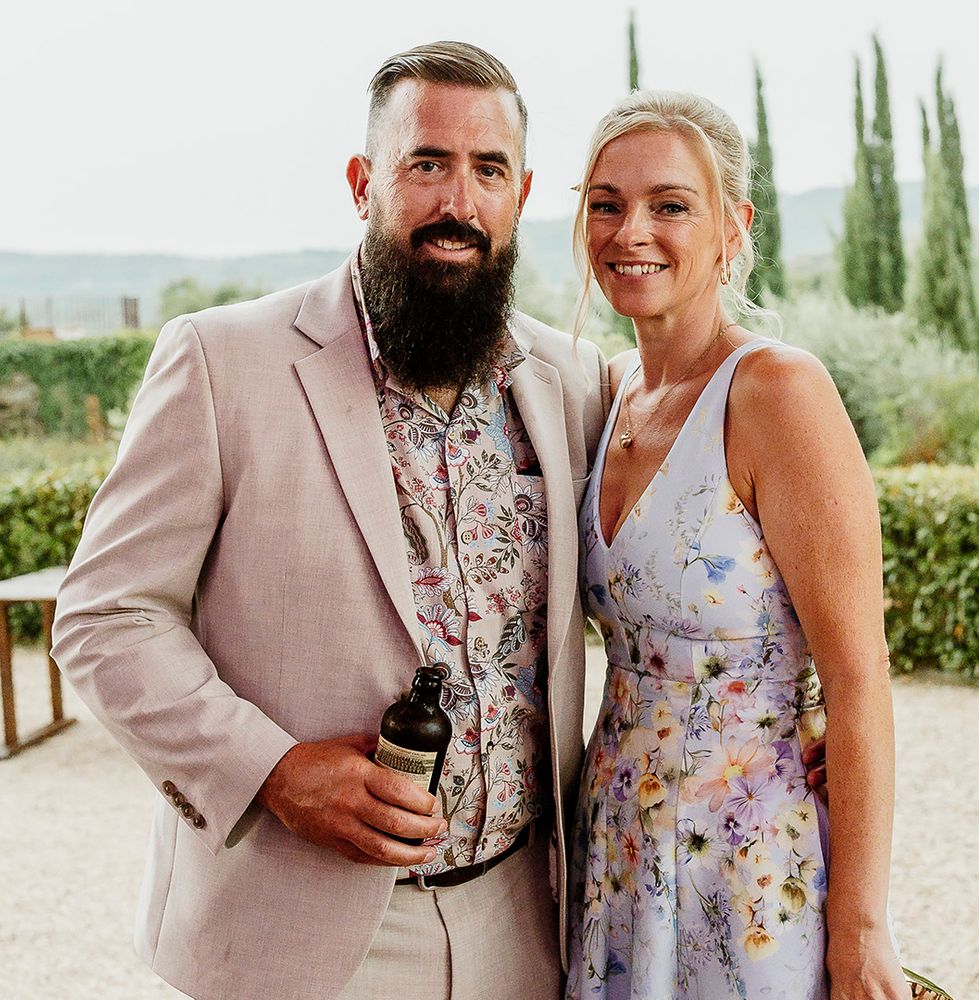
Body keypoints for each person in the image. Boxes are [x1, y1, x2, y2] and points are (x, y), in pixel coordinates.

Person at [52, 42, 609, 1000]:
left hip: (526, 921)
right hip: (303, 936)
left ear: (522, 195)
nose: (457, 204)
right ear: (363, 183)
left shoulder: (574, 380)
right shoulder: (222, 361)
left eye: (488, 171)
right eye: (425, 163)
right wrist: (273, 770)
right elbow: (106, 617)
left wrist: (795, 715)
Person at [565, 91, 907, 1000]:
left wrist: (861, 927)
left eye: (670, 204)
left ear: (731, 227)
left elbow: (859, 674)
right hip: (618, 844)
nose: (632, 229)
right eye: (607, 202)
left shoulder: (777, 391)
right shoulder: (604, 396)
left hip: (752, 858)